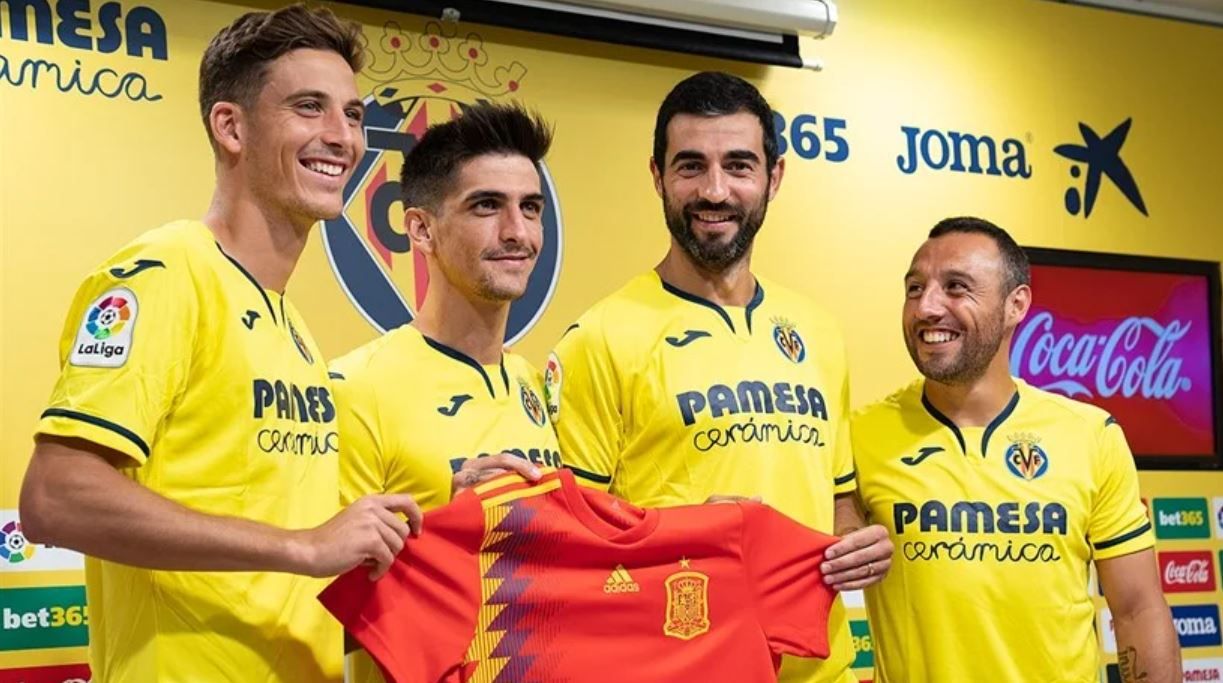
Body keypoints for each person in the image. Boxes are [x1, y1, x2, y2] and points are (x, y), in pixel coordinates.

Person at [18, 6, 422, 681]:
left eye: (352, 115)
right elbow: (55, 496)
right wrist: (303, 545)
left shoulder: (293, 329)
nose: (340, 137)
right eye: (308, 107)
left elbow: (294, 558)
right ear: (231, 126)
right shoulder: (165, 274)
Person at [547, 70, 892, 683]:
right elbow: (570, 547)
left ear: (773, 177)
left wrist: (857, 543)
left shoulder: (818, 331)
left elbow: (837, 500)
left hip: (824, 669)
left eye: (738, 165)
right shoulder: (600, 338)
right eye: (690, 166)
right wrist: (686, 534)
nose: (715, 190)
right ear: (657, 176)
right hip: (678, 667)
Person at [851, 216, 1180, 682]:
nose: (927, 307)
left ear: (1016, 304)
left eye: (956, 287)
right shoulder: (859, 435)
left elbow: (1137, 610)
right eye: (914, 288)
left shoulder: (1091, 434)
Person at [329, 101, 556, 683]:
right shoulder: (355, 388)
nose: (518, 233)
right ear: (420, 228)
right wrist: (443, 532)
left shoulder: (537, 384)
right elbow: (325, 601)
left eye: (530, 208)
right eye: (487, 206)